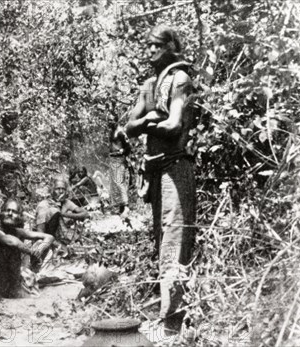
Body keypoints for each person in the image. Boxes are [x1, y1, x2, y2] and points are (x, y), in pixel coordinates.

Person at [125, 25, 197, 335]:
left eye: (157, 45)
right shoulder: (151, 85)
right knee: (162, 242)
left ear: (171, 47)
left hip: (176, 169)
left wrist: (147, 124)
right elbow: (129, 125)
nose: (151, 51)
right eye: (148, 45)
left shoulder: (180, 79)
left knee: (174, 242)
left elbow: (173, 125)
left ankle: (172, 326)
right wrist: (146, 121)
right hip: (156, 171)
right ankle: (169, 320)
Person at [0, 199, 54, 298]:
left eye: (14, 212)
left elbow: (49, 237)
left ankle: (25, 280)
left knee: (41, 242)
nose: (10, 214)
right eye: (7, 210)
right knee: (11, 248)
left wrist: (41, 247)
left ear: (19, 217)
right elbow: (12, 241)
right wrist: (32, 252)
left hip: (11, 279)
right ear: (1, 213)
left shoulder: (18, 231)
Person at [35, 176, 89, 245]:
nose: (61, 192)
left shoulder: (66, 202)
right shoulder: (44, 205)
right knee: (53, 211)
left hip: (64, 239)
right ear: (52, 190)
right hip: (49, 241)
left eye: (63, 189)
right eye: (58, 189)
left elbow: (85, 214)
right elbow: (40, 232)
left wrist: (64, 214)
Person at [108, 117, 132, 217]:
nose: (109, 122)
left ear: (116, 121)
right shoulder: (111, 132)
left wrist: (123, 151)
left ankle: (126, 205)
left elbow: (128, 146)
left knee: (119, 181)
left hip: (119, 158)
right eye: (108, 120)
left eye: (111, 120)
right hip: (112, 158)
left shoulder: (121, 132)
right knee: (114, 183)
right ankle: (119, 207)